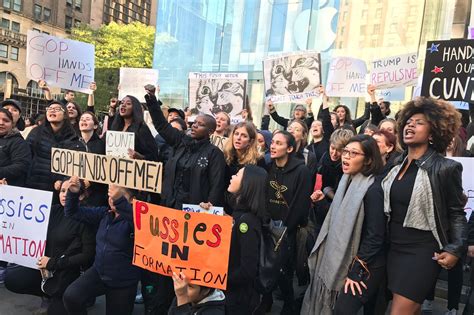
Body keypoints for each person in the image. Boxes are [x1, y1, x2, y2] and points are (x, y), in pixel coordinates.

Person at [381, 97, 466, 314]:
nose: (410, 124)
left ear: (432, 133)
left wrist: (455, 248)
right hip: (391, 246)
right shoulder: (395, 164)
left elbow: (456, 213)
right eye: (408, 121)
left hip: (421, 251)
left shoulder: (445, 168)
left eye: (419, 122)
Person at [302, 135, 385, 314]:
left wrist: (356, 272)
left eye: (353, 153)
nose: (346, 157)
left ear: (369, 159)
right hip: (345, 260)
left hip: (364, 266)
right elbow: (338, 218)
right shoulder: (346, 181)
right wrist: (321, 203)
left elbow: (375, 235)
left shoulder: (373, 189)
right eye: (345, 152)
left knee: (341, 310)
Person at [5, 179, 95, 315]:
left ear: (81, 196)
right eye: (62, 191)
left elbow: (87, 255)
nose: (65, 195)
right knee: (12, 279)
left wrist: (54, 263)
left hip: (69, 274)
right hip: (46, 269)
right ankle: (48, 295)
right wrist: (7, 193)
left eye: (70, 191)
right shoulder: (53, 210)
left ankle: (73, 300)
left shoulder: (86, 218)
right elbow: (22, 216)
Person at [63, 177, 140, 315]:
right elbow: (72, 212)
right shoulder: (104, 214)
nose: (113, 199)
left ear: (131, 200)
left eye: (119, 196)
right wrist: (73, 193)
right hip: (99, 272)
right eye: (111, 196)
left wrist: (120, 201)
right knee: (71, 296)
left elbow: (138, 223)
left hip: (123, 282)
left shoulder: (135, 220)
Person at [146, 88, 226, 210]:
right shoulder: (180, 141)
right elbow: (161, 125)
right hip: (168, 205)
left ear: (210, 132)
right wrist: (152, 100)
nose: (194, 125)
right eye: (195, 122)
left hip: (193, 211)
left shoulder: (214, 154)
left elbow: (217, 186)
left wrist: (210, 207)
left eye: (201, 124)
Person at [264, 130, 312, 313]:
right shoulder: (269, 166)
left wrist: (285, 228)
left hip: (287, 229)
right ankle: (266, 299)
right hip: (268, 224)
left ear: (290, 148)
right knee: (266, 266)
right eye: (273, 142)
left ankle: (289, 303)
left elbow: (300, 203)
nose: (273, 146)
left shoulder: (302, 170)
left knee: (284, 269)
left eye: (278, 143)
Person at [225, 165, 267, 314]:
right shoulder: (240, 214)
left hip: (237, 299)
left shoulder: (247, 222)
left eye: (236, 175)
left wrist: (221, 279)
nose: (232, 177)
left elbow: (247, 270)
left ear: (247, 184)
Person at [26, 101, 84, 192]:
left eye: (57, 109)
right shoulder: (36, 132)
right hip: (32, 185)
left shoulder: (73, 138)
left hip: (57, 190)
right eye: (49, 109)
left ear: (65, 115)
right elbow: (26, 156)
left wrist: (63, 180)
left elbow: (73, 168)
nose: (52, 111)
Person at [110, 95, 159, 162]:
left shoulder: (142, 129)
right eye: (122, 103)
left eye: (128, 104)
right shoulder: (116, 127)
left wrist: (140, 157)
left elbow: (154, 156)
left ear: (135, 108)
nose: (123, 105)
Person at [223, 121, 266, 188]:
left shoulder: (258, 160)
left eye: (244, 136)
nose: (238, 138)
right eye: (236, 134)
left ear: (250, 141)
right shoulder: (226, 155)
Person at [78, 111, 108, 207]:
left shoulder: (102, 145)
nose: (84, 120)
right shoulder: (73, 143)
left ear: (95, 126)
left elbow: (106, 168)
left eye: (87, 119)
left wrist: (91, 181)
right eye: (82, 119)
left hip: (96, 194)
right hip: (77, 192)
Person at [0, 108, 31, 187]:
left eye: (6, 120)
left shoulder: (18, 142)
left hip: (8, 190)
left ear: (12, 124)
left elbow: (21, 166)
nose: (1, 123)